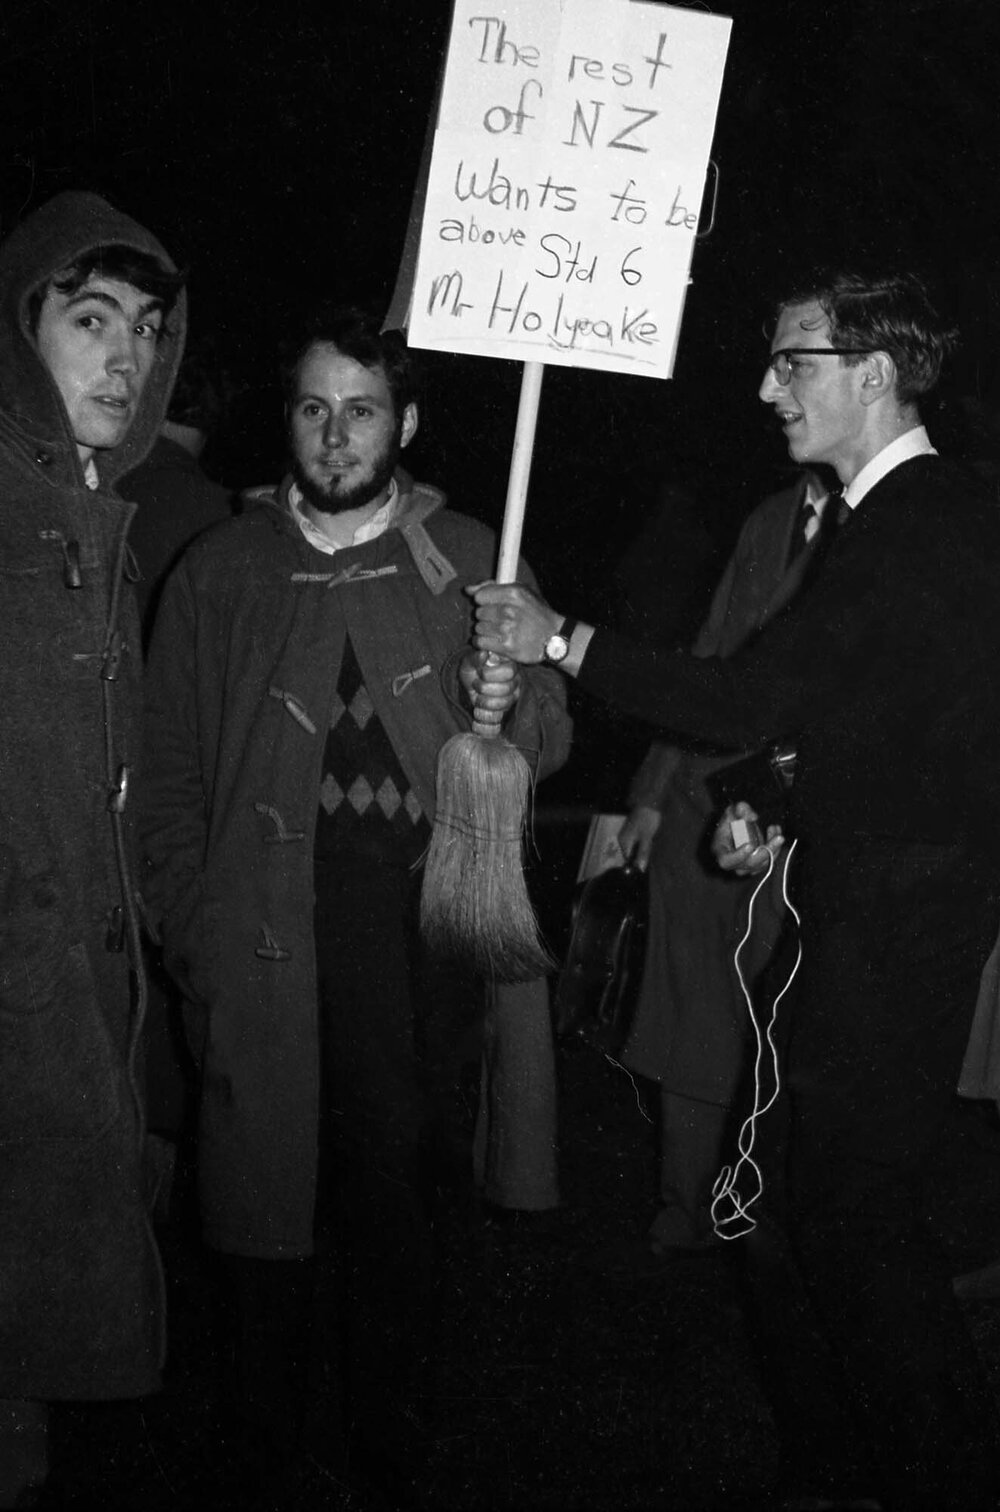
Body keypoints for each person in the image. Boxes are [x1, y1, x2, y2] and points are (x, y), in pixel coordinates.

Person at [471, 270, 1000, 1511]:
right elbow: (870, 719)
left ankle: (935, 1468)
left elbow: (750, 696)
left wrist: (561, 640)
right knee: (796, 1213)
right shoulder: (913, 518)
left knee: (849, 1226)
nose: (767, 388)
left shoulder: (919, 519)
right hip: (877, 917)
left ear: (872, 374)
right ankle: (834, 1460)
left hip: (889, 938)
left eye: (792, 363)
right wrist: (775, 793)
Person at [140, 306, 571, 1500]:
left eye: (363, 408)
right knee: (263, 1206)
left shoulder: (476, 557)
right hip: (261, 927)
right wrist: (190, 926)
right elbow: (165, 769)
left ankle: (391, 1453)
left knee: (399, 1205)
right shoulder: (222, 569)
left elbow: (546, 738)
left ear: (407, 420)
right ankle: (266, 1452)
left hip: (418, 934)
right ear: (288, 420)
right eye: (314, 409)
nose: (336, 436)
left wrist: (514, 693)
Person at [0, 190, 185, 1507]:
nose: (124, 356)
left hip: (73, 996)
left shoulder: (91, 516)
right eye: (90, 320)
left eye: (147, 328)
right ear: (24, 332)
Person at [617, 467, 833, 1255]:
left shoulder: (898, 520)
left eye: (797, 366)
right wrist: (649, 790)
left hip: (803, 823)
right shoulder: (770, 514)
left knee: (783, 1024)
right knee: (690, 1016)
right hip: (699, 812)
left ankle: (761, 1204)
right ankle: (687, 1202)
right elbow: (706, 659)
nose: (775, 393)